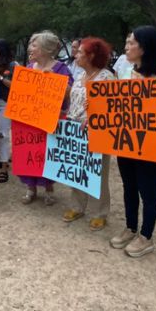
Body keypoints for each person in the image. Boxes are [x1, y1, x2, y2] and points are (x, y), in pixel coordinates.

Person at [108, 26, 156, 257]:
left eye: (131, 42)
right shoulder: (125, 74)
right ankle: (130, 226)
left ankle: (146, 236)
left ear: (144, 47)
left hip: (151, 146)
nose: (127, 46)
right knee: (129, 186)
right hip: (126, 142)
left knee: (149, 190)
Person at [61, 37, 115, 230]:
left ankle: (100, 212)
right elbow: (73, 98)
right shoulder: (80, 75)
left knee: (97, 172)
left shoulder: (106, 77)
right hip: (74, 131)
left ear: (91, 56)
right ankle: (77, 205)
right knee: (76, 168)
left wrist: (93, 118)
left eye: (80, 52)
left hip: (96, 132)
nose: (76, 55)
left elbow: (112, 106)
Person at [18, 30, 73, 205]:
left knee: (48, 155)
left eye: (34, 45)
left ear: (46, 49)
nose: (30, 49)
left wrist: (54, 81)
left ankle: (49, 189)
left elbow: (70, 94)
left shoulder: (61, 69)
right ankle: (30, 188)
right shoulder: (28, 69)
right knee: (29, 153)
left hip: (50, 120)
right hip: (29, 120)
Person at [0, 39, 17, 183]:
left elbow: (16, 85)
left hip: (6, 104)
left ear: (1, 49)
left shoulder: (13, 65)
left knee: (4, 135)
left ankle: (5, 167)